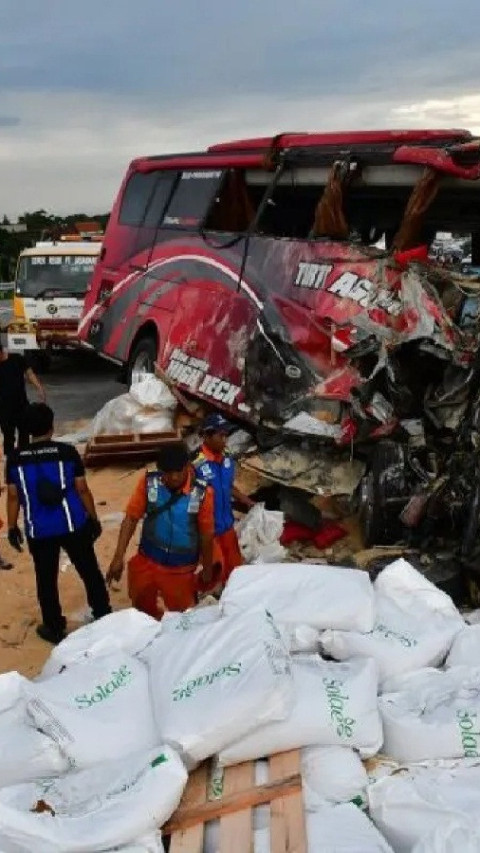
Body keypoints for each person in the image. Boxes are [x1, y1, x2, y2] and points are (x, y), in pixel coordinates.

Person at [6, 403, 111, 644]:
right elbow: (82, 489)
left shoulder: (15, 459)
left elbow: (13, 496)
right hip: (73, 524)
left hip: (39, 530)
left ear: (28, 430)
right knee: (89, 570)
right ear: (51, 427)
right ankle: (103, 613)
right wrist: (93, 518)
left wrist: (12, 527)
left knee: (46, 579)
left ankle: (53, 627)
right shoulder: (67, 452)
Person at [106, 441, 218, 617]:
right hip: (148, 561)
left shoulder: (202, 493)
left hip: (181, 569)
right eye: (168, 473)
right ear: (160, 470)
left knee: (181, 617)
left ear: (187, 467)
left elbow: (207, 534)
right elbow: (131, 518)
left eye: (178, 472)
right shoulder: (149, 483)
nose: (173, 477)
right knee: (142, 609)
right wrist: (118, 556)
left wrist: (207, 569)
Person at [194, 413, 254, 583]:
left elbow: (228, 486)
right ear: (206, 436)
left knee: (236, 573)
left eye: (226, 435)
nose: (225, 440)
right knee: (213, 575)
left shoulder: (227, 459)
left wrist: (246, 501)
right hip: (208, 534)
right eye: (220, 435)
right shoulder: (196, 465)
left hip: (227, 528)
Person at [0, 343, 46, 456]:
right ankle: (10, 461)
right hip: (3, 408)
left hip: (21, 404)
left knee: (24, 434)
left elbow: (30, 374)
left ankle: (24, 457)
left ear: (1, 352)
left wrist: (39, 388)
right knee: (8, 436)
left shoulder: (17, 359)